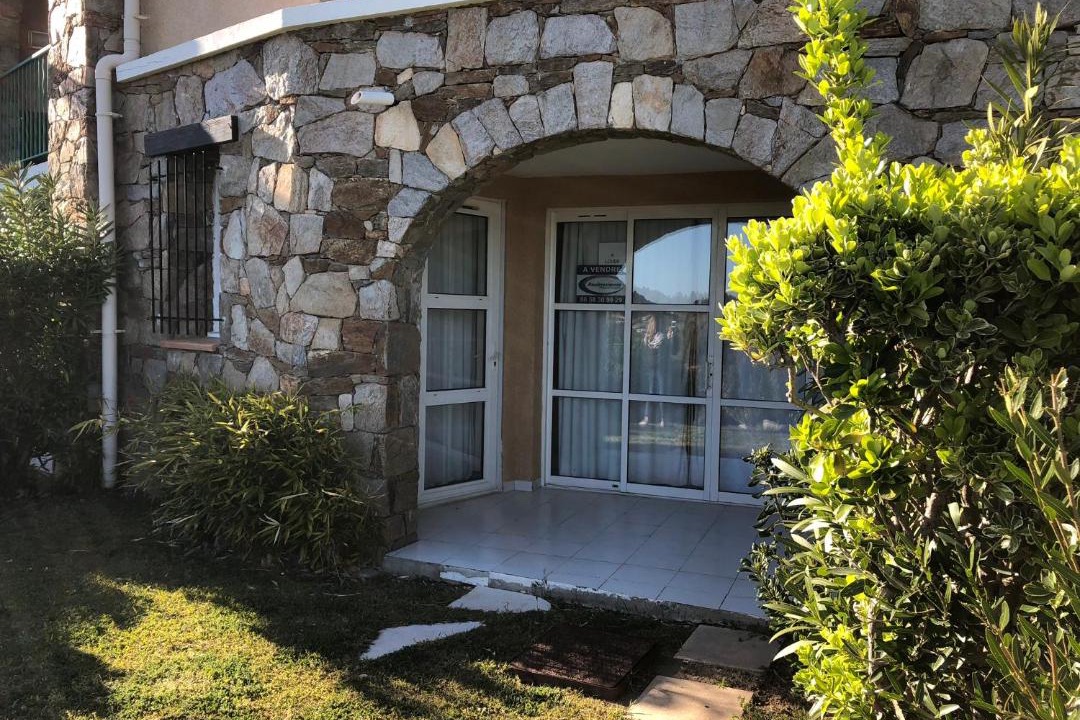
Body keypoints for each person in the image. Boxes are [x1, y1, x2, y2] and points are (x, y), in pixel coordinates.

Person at [636, 313, 680, 426]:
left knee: (660, 393)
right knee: (651, 392)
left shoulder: (662, 337)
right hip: (651, 368)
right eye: (653, 324)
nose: (653, 326)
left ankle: (662, 419)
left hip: (660, 368)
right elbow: (643, 352)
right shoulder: (648, 337)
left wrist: (671, 337)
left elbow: (672, 350)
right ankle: (649, 417)